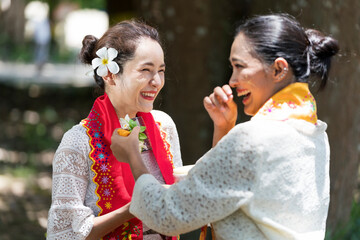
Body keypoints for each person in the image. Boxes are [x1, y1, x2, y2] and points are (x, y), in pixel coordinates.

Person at [110, 13, 339, 240]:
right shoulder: (314, 130)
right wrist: (225, 128)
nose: (232, 80)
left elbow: (167, 215)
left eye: (240, 66)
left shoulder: (252, 139)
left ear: (278, 70)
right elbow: (231, 194)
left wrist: (133, 155)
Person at [46, 20, 182, 240]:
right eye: (145, 70)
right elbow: (64, 234)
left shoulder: (163, 126)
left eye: (161, 71)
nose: (156, 81)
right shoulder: (79, 143)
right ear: (109, 75)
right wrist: (131, 209)